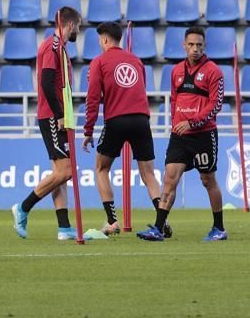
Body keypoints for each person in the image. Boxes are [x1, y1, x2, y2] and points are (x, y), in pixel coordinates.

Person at [137, 26, 227, 242]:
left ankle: (219, 228)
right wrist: (177, 123)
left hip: (204, 135)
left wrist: (192, 122)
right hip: (180, 135)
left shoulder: (214, 71)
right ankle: (158, 228)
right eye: (191, 45)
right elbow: (175, 101)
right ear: (184, 45)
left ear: (204, 46)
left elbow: (216, 105)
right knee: (169, 178)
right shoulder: (177, 71)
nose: (195, 49)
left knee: (208, 180)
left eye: (199, 45)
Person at [81, 22, 163, 236]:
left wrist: (88, 130)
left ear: (105, 39)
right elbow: (141, 89)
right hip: (141, 119)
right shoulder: (136, 61)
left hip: (116, 119)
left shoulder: (99, 62)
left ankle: (112, 221)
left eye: (100, 40)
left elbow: (92, 98)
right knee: (149, 174)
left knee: (101, 168)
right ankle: (161, 219)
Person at [12, 7, 81, 241]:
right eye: (78, 26)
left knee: (60, 174)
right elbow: (46, 82)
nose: (78, 31)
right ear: (70, 25)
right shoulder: (52, 46)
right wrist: (60, 114)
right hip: (53, 116)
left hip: (57, 115)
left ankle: (63, 227)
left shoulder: (59, 47)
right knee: (65, 171)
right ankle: (23, 207)